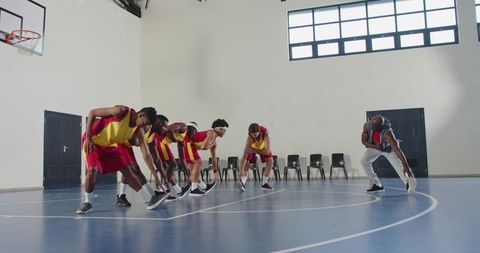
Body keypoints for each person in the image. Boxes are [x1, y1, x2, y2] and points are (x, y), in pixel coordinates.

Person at [76, 105, 168, 214]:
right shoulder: (120, 111)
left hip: (108, 145)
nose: (145, 126)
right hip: (92, 141)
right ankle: (87, 202)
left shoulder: (138, 130)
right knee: (92, 170)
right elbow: (92, 113)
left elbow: (146, 155)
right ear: (141, 115)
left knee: (126, 170)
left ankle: (149, 200)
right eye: (145, 122)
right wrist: (88, 137)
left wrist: (156, 176)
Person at [361, 115, 416, 194]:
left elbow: (397, 149)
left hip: (388, 149)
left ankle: (408, 183)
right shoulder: (367, 126)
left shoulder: (388, 132)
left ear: (381, 126)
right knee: (364, 161)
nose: (374, 128)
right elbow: (363, 141)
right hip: (375, 147)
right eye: (373, 126)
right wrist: (374, 146)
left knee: (399, 165)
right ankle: (377, 185)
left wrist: (406, 166)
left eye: (376, 126)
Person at [183, 119, 228, 196]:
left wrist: (215, 171)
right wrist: (211, 145)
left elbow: (214, 158)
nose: (225, 132)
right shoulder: (212, 133)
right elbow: (204, 147)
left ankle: (204, 187)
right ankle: (193, 189)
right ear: (218, 129)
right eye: (224, 130)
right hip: (188, 142)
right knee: (198, 162)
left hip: (191, 145)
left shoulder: (214, 142)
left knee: (194, 170)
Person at [238, 123, 273, 192]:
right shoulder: (250, 138)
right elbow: (244, 156)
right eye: (252, 135)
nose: (254, 136)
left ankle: (264, 183)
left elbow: (267, 152)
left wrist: (254, 151)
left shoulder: (265, 133)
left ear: (259, 132)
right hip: (253, 147)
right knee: (246, 163)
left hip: (262, 147)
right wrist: (241, 170)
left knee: (270, 161)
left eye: (255, 135)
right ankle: (243, 183)